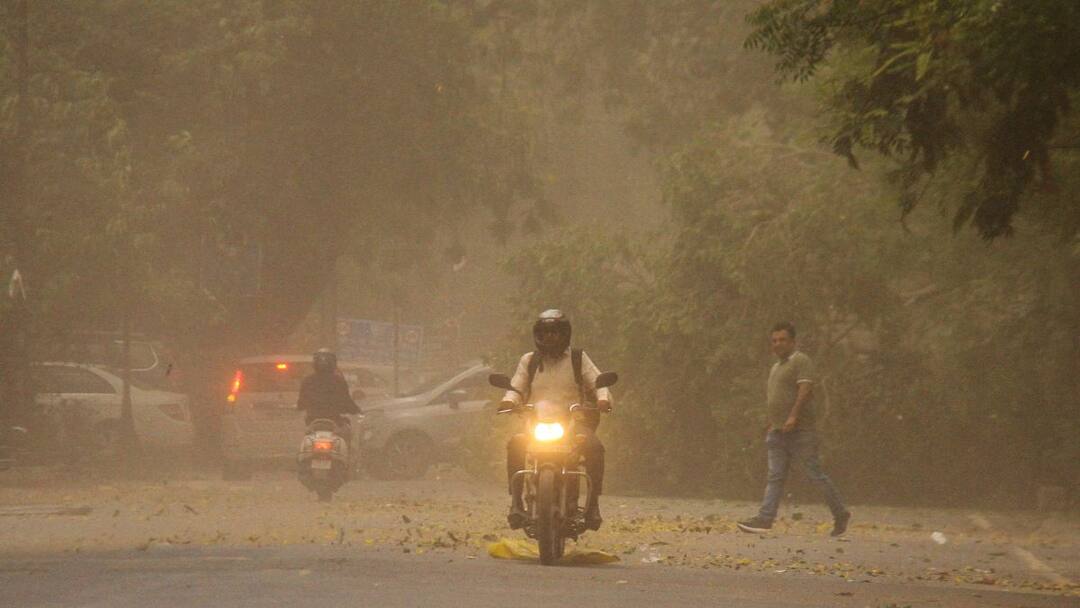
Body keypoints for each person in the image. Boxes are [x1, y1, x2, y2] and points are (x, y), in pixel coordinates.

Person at [501, 309, 611, 531]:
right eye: (545, 332)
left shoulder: (578, 358)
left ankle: (593, 506)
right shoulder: (529, 361)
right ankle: (516, 504)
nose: (549, 337)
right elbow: (517, 386)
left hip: (573, 422)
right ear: (537, 335)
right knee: (515, 444)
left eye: (554, 332)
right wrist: (509, 401)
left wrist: (603, 399)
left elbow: (599, 383)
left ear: (565, 334)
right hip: (536, 423)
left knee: (595, 448)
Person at [737, 322, 850, 536]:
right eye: (774, 340)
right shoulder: (776, 367)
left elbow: (804, 390)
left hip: (801, 431)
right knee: (775, 476)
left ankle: (840, 513)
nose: (778, 344)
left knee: (815, 475)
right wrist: (772, 422)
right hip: (777, 432)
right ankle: (765, 518)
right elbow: (776, 398)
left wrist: (793, 416)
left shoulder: (800, 360)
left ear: (793, 341)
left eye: (782, 340)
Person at [297, 349, 362, 432]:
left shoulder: (307, 380)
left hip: (312, 420)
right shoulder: (339, 381)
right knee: (347, 430)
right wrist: (356, 410)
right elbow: (346, 400)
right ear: (333, 364)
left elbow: (301, 403)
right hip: (334, 419)